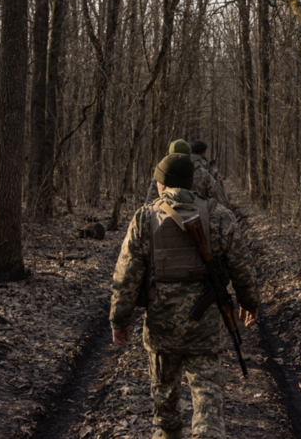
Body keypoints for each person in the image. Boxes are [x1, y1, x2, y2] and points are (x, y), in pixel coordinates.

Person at [111, 154, 261, 439]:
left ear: (163, 184)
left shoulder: (144, 217)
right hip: (206, 328)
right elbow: (243, 267)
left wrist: (120, 319)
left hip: (161, 327)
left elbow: (126, 276)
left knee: (165, 398)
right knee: (207, 401)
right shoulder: (219, 216)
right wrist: (250, 302)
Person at [145, 140, 229, 207]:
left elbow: (149, 204)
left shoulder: (161, 175)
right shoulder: (203, 174)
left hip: (165, 221)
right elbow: (222, 202)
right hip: (196, 222)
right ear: (189, 155)